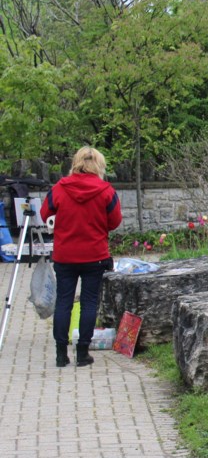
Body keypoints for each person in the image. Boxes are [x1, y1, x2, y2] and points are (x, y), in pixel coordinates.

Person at [40, 147, 122, 368]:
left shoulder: (59, 188)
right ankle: (83, 353)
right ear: (99, 165)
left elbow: (44, 213)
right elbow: (115, 221)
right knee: (89, 303)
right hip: (94, 255)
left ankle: (60, 354)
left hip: (65, 255)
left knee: (64, 302)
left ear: (75, 163)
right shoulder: (106, 191)